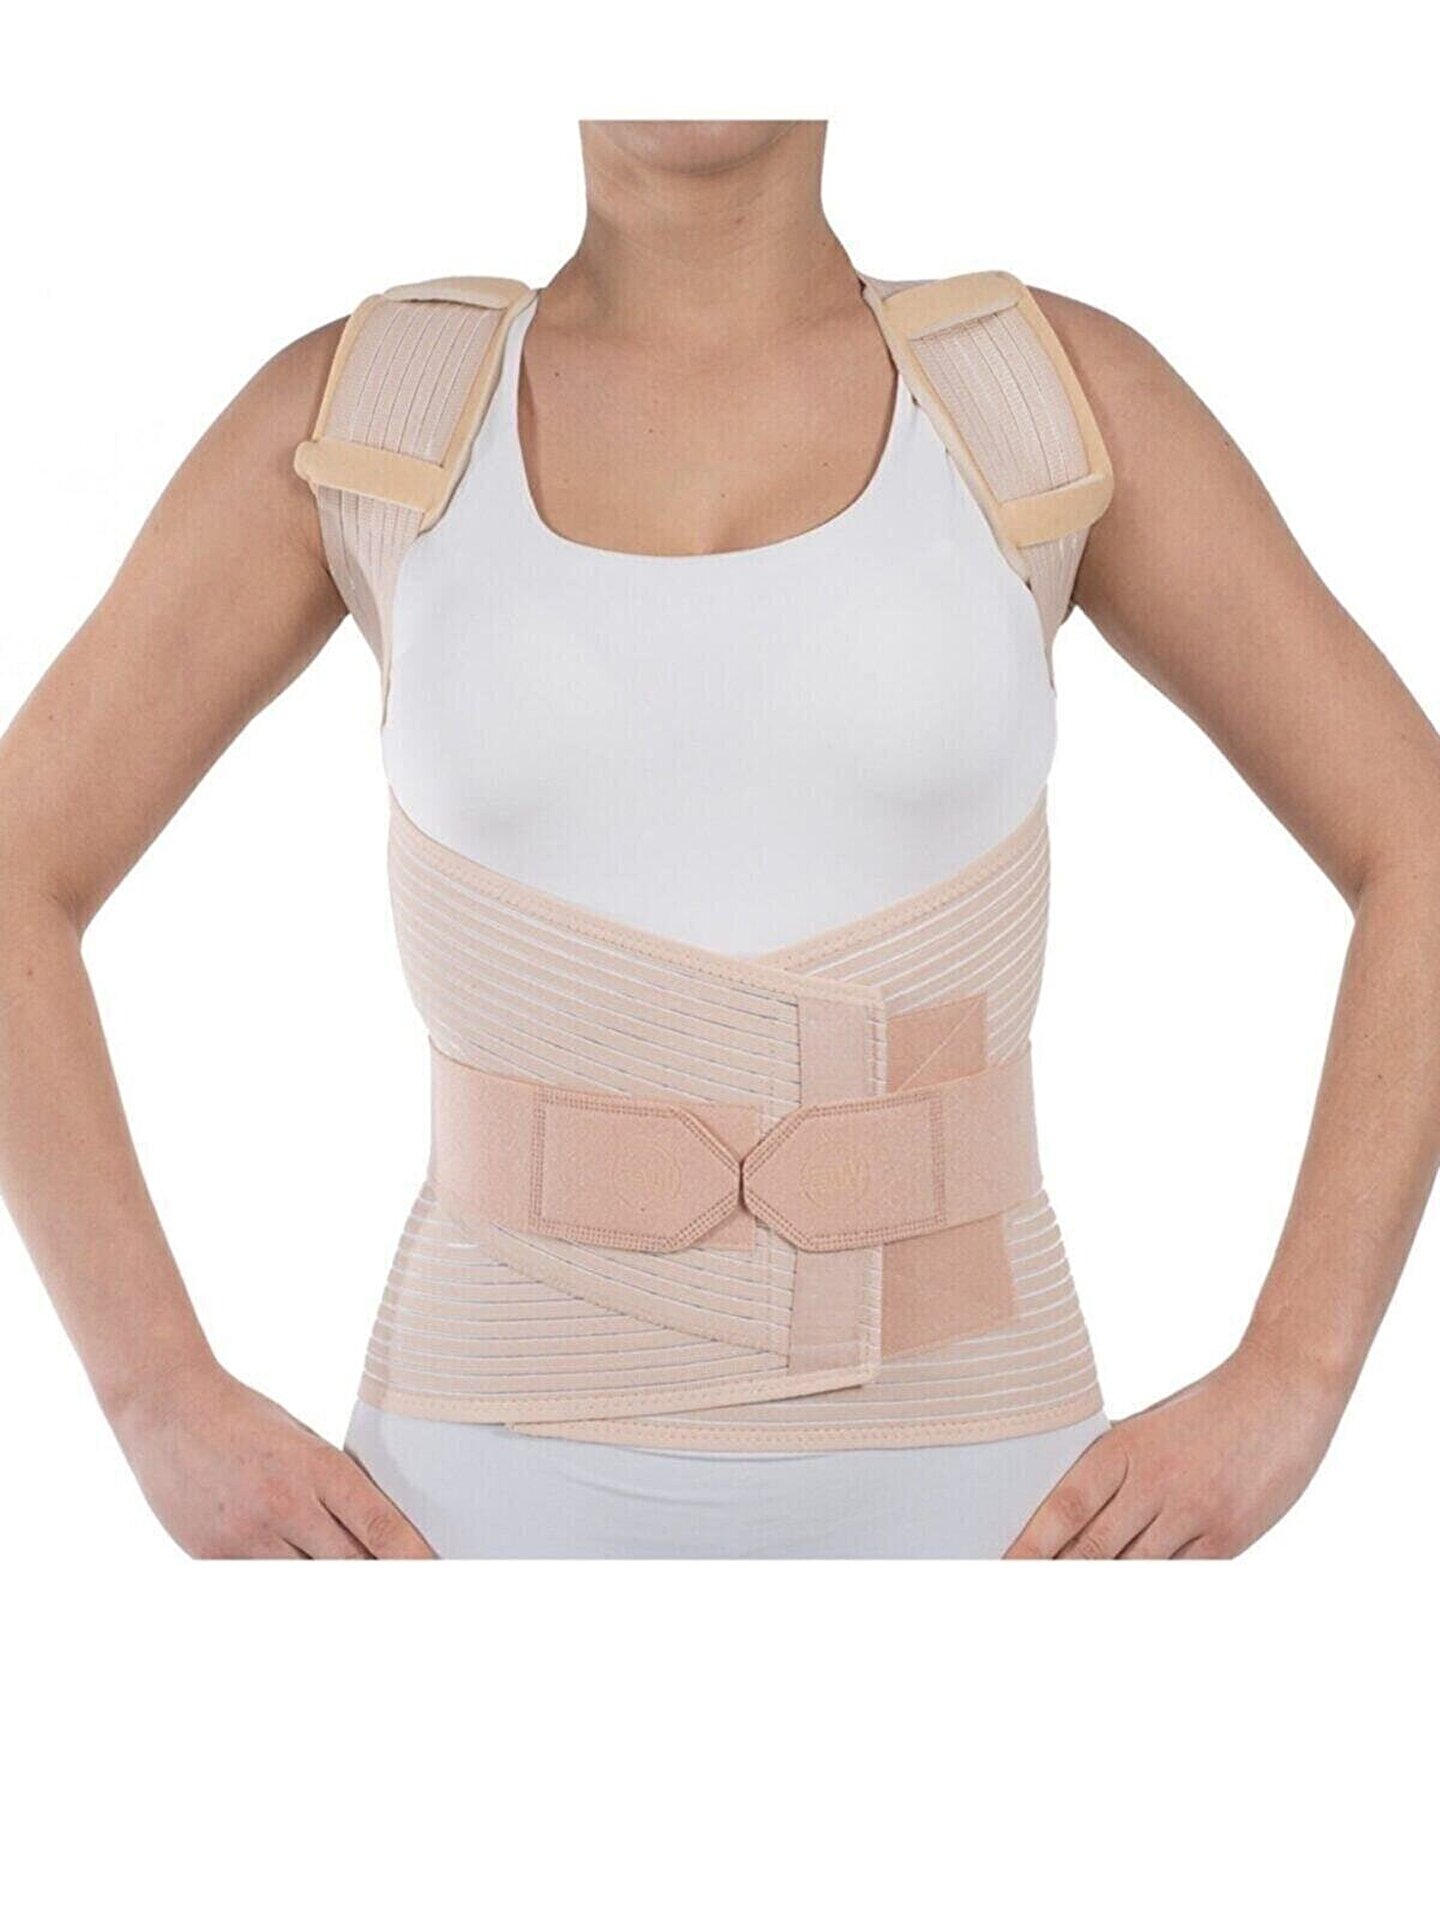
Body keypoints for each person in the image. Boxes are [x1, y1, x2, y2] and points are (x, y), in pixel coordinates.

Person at [2, 120, 1437, 1559]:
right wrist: (153, 1394)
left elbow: (1415, 838)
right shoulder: (373, 420)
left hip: (991, 1504)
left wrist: (1299, 1373)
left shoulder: (1034, 400)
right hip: (469, 1507)